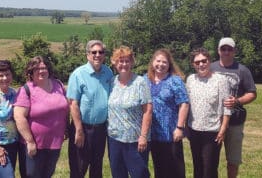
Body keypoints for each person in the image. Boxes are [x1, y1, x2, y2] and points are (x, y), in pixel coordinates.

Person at [13, 56, 69, 178]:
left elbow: (64, 108)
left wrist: (66, 129)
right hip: (34, 144)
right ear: (31, 72)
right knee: (32, 175)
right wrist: (30, 141)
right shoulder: (26, 90)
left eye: (44, 68)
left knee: (47, 174)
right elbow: (19, 117)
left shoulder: (58, 85)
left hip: (55, 142)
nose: (41, 71)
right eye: (37, 69)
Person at [211, 37, 257, 178]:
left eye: (229, 49)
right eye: (223, 49)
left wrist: (237, 101)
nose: (226, 52)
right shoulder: (211, 68)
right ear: (218, 51)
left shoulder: (242, 70)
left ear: (234, 51)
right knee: (211, 160)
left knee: (233, 160)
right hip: (214, 122)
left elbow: (252, 93)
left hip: (235, 122)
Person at [67, 40, 113, 178]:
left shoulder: (108, 72)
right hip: (82, 128)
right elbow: (73, 104)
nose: (97, 55)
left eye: (101, 52)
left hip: (101, 129)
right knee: (78, 168)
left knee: (97, 167)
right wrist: (79, 130)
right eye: (94, 52)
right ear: (87, 55)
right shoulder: (78, 74)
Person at [108, 45, 152, 178]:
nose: (124, 64)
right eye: (120, 61)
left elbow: (148, 111)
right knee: (118, 174)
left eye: (127, 60)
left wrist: (143, 136)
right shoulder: (112, 81)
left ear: (132, 62)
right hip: (114, 139)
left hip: (135, 140)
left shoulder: (140, 83)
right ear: (115, 63)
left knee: (139, 174)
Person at [186, 48, 231, 178]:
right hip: (194, 130)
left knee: (209, 169)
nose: (201, 64)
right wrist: (185, 126)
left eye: (204, 61)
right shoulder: (190, 79)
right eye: (197, 62)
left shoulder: (220, 80)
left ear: (209, 61)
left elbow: (226, 108)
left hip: (212, 132)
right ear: (193, 65)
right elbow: (186, 104)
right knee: (197, 167)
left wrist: (223, 129)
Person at [144, 49, 189, 178]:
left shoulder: (175, 81)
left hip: (171, 133)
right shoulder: (145, 80)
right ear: (153, 62)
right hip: (153, 134)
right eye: (158, 61)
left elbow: (184, 104)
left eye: (165, 62)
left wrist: (180, 128)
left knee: (176, 169)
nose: (161, 64)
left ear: (169, 64)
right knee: (159, 168)